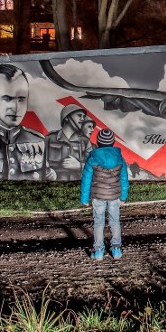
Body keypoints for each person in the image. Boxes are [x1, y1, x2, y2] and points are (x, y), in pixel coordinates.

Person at [80, 129, 129, 260]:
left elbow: (86, 179)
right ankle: (117, 249)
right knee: (114, 221)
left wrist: (84, 198)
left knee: (99, 223)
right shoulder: (119, 158)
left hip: (98, 197)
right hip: (114, 196)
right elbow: (124, 178)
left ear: (98, 142)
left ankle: (99, 251)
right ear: (112, 142)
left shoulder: (93, 158)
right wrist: (124, 196)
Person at [46, 104, 93, 180]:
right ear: (67, 118)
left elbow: (94, 165)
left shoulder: (85, 141)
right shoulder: (50, 138)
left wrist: (79, 166)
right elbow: (39, 162)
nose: (82, 119)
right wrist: (48, 173)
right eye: (79, 115)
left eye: (83, 117)